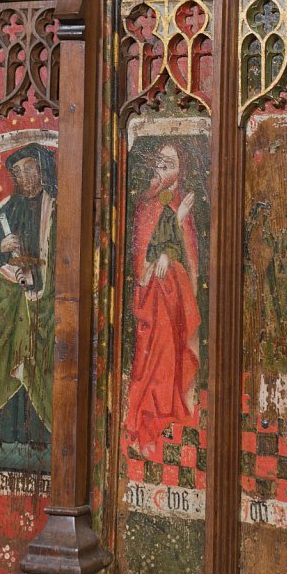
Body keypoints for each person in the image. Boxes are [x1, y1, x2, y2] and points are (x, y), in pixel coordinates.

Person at [0, 144, 57, 450]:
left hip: (45, 301)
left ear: (42, 169)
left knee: (41, 360)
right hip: (12, 301)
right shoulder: (5, 211)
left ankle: (39, 433)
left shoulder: (55, 208)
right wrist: (3, 251)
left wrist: (41, 281)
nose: (23, 176)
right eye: (17, 171)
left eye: (29, 168)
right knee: (4, 357)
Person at [126, 142, 201, 455]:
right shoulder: (147, 203)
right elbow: (143, 251)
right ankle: (147, 417)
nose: (162, 167)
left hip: (174, 295)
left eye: (170, 162)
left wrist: (172, 246)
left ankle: (170, 407)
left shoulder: (182, 202)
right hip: (153, 297)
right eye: (159, 161)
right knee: (152, 355)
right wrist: (159, 256)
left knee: (172, 351)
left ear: (181, 169)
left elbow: (188, 253)